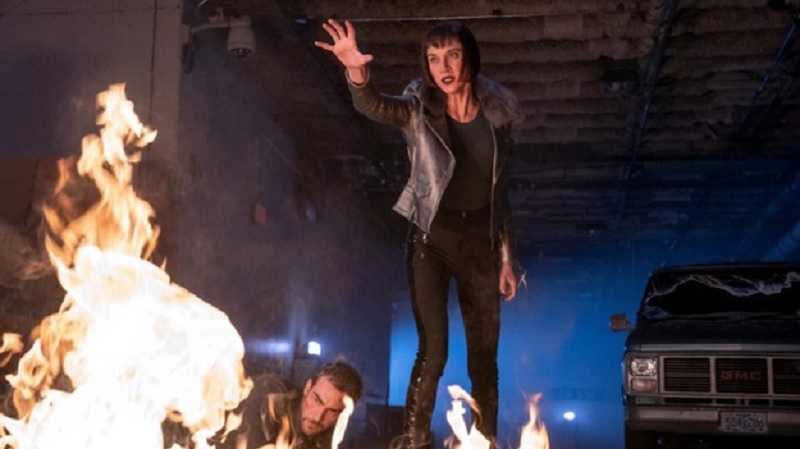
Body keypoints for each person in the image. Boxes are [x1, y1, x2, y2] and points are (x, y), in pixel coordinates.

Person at [315, 19, 523, 449]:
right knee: (434, 350)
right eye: (433, 59)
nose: (442, 68)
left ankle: (484, 440)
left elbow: (501, 196)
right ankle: (414, 440)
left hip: (480, 245)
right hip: (431, 240)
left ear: (469, 58)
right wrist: (355, 71)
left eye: (452, 56)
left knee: (484, 355)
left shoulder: (498, 118)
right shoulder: (417, 109)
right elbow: (374, 106)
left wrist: (507, 258)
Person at [164, 361, 364, 449]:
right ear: (308, 387)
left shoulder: (329, 439)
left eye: (332, 412)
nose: (318, 417)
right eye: (317, 400)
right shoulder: (270, 399)